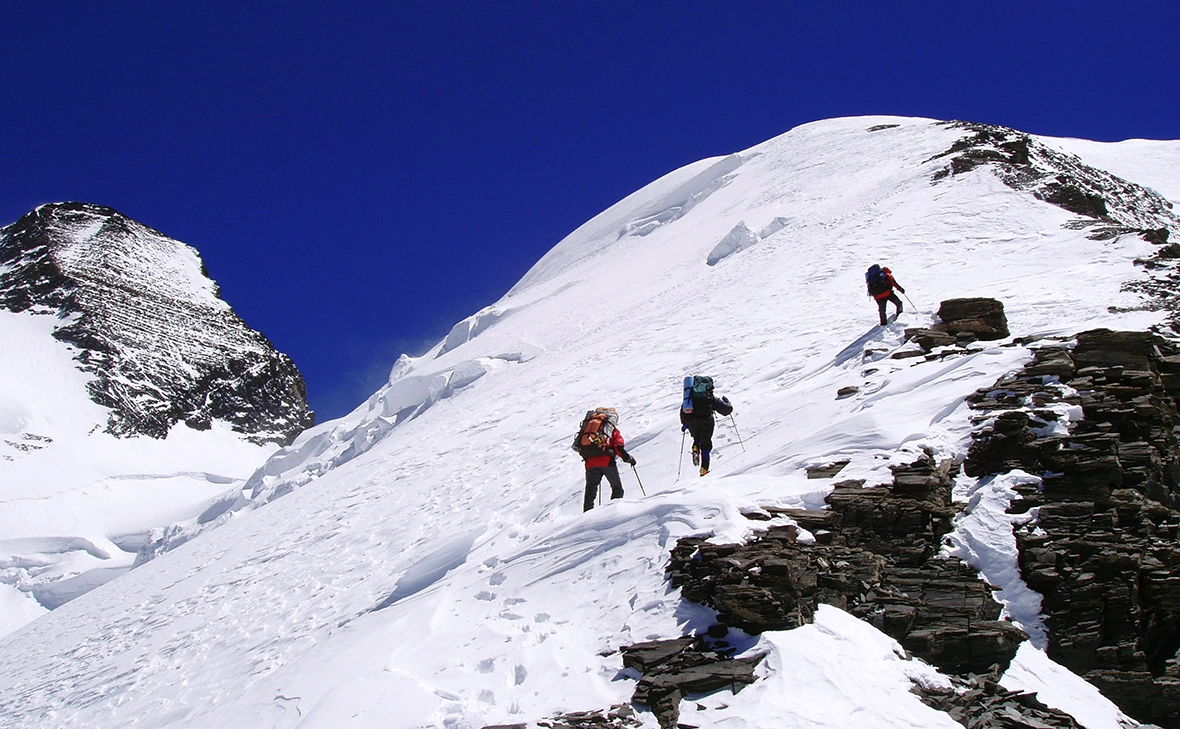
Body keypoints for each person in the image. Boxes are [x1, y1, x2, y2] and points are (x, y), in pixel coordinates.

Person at [680, 379, 733, 476]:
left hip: (691, 422)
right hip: (707, 422)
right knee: (706, 444)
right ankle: (704, 469)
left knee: (697, 437)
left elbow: (683, 410)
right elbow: (727, 410)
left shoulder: (690, 398)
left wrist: (684, 424)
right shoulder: (710, 397)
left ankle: (696, 446)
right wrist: (727, 402)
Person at [581, 419, 635, 512]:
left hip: (590, 463)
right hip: (606, 462)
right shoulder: (611, 429)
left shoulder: (588, 429)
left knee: (590, 490)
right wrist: (629, 459)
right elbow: (618, 447)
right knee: (617, 488)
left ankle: (586, 514)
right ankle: (612, 513)